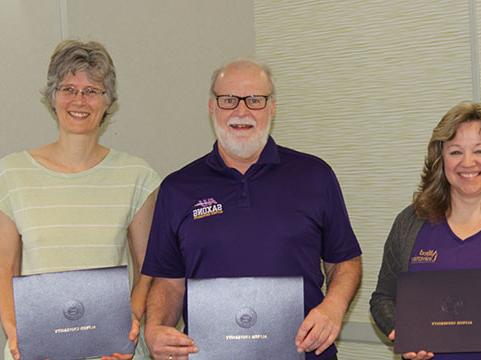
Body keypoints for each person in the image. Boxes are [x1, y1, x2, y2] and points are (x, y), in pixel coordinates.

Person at [141, 59, 362, 360]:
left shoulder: (315, 175)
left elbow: (345, 261)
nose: (241, 111)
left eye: (255, 100)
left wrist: (333, 307)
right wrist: (155, 328)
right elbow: (168, 281)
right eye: (228, 100)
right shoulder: (177, 188)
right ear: (212, 107)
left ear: (272, 107)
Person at [0, 40, 161, 360]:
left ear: (109, 101)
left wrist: (127, 326)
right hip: (35, 351)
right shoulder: (10, 174)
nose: (79, 100)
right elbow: (4, 267)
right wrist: (17, 333)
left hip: (113, 353)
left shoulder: (137, 175)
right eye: (69, 88)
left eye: (92, 90)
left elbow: (149, 267)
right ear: (52, 96)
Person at [370, 102, 481, 360]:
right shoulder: (411, 221)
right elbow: (383, 298)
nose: (467, 162)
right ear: (440, 159)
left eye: (480, 150)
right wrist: (401, 331)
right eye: (455, 152)